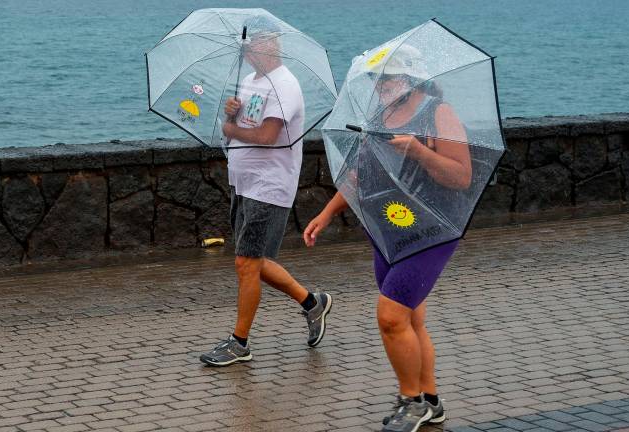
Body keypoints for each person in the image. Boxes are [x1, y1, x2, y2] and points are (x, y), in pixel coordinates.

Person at [304, 45, 472, 431]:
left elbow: (460, 176)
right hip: (387, 231)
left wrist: (416, 151)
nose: (382, 85)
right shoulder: (378, 116)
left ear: (411, 79)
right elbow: (359, 176)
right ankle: (430, 399)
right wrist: (327, 214)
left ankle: (411, 402)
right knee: (411, 321)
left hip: (429, 231)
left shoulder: (436, 112)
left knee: (391, 317)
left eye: (390, 77)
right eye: (376, 79)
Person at [199, 16, 333, 367]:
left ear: (271, 46)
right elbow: (243, 127)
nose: (247, 51)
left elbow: (267, 137)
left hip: (269, 186)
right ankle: (312, 304)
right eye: (246, 46)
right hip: (242, 181)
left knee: (246, 262)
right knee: (253, 260)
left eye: (254, 45)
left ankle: (240, 342)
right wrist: (234, 112)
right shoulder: (249, 81)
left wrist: (231, 126)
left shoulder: (284, 86)